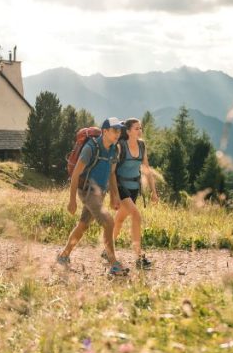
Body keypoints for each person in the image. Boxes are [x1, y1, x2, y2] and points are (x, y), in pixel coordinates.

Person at [56, 117, 130, 276]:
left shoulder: (114, 149)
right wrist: (72, 200)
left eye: (119, 130)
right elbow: (75, 175)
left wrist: (113, 196)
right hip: (87, 191)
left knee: (83, 225)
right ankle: (113, 263)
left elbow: (111, 174)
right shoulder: (90, 148)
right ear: (105, 131)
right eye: (114, 130)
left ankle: (64, 255)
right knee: (109, 222)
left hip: (100, 193)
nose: (118, 134)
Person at [112, 118, 159, 269]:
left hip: (133, 188)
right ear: (128, 131)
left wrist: (154, 192)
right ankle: (139, 256)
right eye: (136, 128)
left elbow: (146, 169)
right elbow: (112, 171)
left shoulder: (142, 145)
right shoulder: (120, 146)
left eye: (140, 128)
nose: (140, 131)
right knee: (136, 216)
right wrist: (113, 194)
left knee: (119, 220)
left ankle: (107, 247)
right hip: (120, 186)